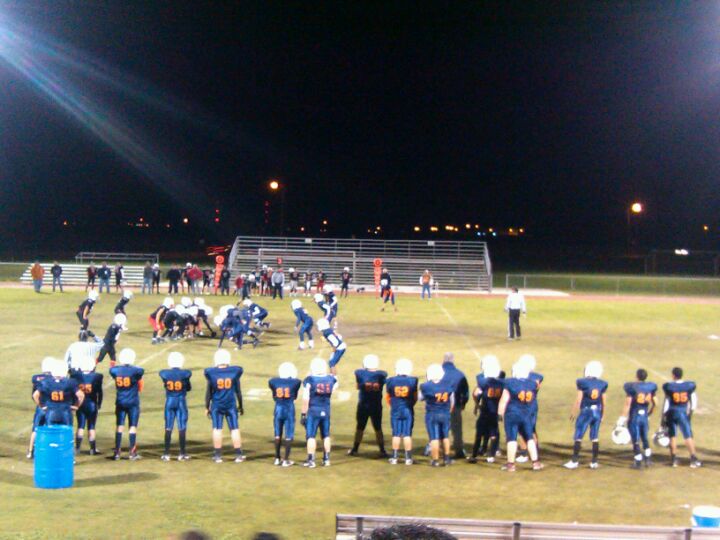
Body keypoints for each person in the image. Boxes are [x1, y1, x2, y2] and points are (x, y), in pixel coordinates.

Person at [497, 359, 543, 472]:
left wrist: (499, 413)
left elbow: (504, 399)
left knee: (512, 438)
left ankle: (511, 464)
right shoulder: (532, 383)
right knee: (529, 438)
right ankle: (536, 463)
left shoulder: (510, 382)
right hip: (526, 414)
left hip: (512, 414)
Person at [564, 361, 608, 469]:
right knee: (595, 437)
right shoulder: (603, 383)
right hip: (597, 411)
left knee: (578, 436)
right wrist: (603, 414)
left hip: (586, 411)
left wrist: (574, 412)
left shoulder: (582, 382)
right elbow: (604, 401)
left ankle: (574, 461)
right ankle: (594, 462)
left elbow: (579, 400)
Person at [204, 349, 245, 463]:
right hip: (230, 404)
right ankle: (238, 454)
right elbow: (238, 392)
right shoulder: (235, 371)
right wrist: (240, 406)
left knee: (217, 428)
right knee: (234, 429)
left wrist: (207, 407)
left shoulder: (211, 373)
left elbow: (209, 392)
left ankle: (217, 455)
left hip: (217, 405)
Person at [348, 354, 388, 458]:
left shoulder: (360, 373)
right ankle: (382, 450)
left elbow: (357, 386)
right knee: (378, 428)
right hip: (376, 405)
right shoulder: (382, 374)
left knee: (360, 427)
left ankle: (355, 449)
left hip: (363, 405)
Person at [617, 368, 657, 469]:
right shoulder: (650, 387)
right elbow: (656, 403)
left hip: (635, 416)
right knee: (644, 438)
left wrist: (621, 419)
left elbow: (627, 404)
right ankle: (648, 459)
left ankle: (638, 460)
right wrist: (650, 413)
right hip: (644, 416)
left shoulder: (631, 387)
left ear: (637, 376)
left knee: (635, 439)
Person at [301, 357, 337, 468]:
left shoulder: (310, 380)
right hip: (326, 410)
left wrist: (303, 414)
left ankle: (311, 460)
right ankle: (326, 459)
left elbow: (306, 399)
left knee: (311, 436)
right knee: (326, 435)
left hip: (313, 411)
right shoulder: (331, 379)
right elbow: (335, 380)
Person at [662, 367, 701, 468]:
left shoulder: (669, 386)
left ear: (673, 375)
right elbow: (693, 403)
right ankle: (693, 458)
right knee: (687, 435)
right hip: (682, 412)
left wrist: (663, 417)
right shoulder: (688, 385)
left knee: (672, 436)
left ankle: (674, 459)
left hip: (671, 412)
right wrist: (690, 414)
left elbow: (666, 403)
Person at [109, 348, 144, 460]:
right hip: (132, 402)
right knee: (132, 426)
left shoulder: (115, 371)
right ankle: (132, 452)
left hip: (120, 401)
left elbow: (113, 370)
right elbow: (140, 371)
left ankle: (117, 452)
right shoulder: (136, 371)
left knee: (119, 426)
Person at [469, 355, 504, 463]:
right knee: (494, 433)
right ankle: (491, 455)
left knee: (479, 433)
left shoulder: (483, 381)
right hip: (495, 411)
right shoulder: (502, 382)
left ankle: (474, 455)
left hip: (485, 410)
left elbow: (475, 393)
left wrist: (477, 404)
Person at [159, 352, 192, 461]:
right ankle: (182, 453)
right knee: (182, 427)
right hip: (181, 401)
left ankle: (166, 453)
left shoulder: (164, 373)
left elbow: (165, 381)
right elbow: (188, 388)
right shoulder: (186, 373)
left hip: (169, 401)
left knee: (168, 426)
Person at [419, 363, 454, 466]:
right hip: (445, 413)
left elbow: (420, 398)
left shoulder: (426, 386)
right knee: (445, 436)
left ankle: (435, 460)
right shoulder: (448, 384)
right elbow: (452, 400)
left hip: (432, 414)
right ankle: (447, 459)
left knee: (434, 438)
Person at [268, 362, 302, 466]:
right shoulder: (296, 382)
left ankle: (277, 458)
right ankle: (285, 460)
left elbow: (274, 395)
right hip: (289, 409)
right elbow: (295, 396)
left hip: (278, 408)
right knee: (288, 435)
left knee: (277, 434)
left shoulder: (273, 381)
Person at [386, 358, 418, 465]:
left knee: (396, 434)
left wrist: (394, 405)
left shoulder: (390, 381)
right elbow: (415, 397)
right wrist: (410, 405)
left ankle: (394, 457)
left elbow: (388, 397)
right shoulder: (413, 380)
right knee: (407, 434)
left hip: (395, 410)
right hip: (408, 410)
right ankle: (408, 458)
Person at [33, 358, 84, 427]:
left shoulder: (46, 382)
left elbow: (35, 395)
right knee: (67, 433)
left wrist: (41, 406)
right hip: (65, 411)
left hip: (51, 411)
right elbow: (81, 396)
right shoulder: (70, 382)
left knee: (51, 432)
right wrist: (76, 406)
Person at [70, 354, 103, 454]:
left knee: (80, 425)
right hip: (92, 404)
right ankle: (92, 449)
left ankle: (77, 448)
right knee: (91, 426)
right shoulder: (97, 377)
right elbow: (100, 392)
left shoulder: (76, 376)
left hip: (80, 404)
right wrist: (99, 403)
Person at [441, 353, 469, 459]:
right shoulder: (460, 374)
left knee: (439, 428)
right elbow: (465, 392)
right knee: (457, 429)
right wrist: (463, 403)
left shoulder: (438, 372)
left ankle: (439, 449)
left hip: (439, 405)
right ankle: (459, 450)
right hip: (455, 405)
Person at [27, 357, 54, 458]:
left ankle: (30, 451)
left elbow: (34, 393)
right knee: (49, 429)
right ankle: (47, 450)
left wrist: (39, 404)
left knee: (35, 429)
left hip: (40, 407)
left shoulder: (36, 378)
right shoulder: (53, 378)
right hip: (50, 407)